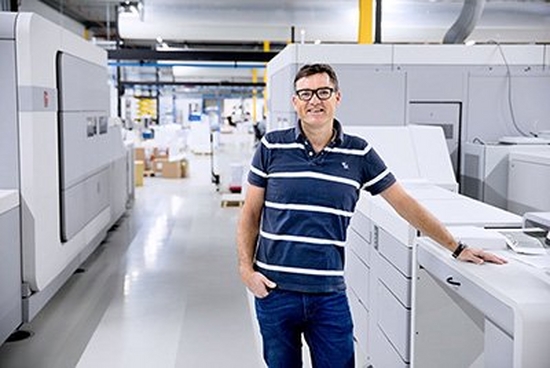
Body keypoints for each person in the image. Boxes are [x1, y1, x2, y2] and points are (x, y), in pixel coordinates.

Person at [236, 63, 506, 368]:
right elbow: (250, 212)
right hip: (274, 292)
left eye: (323, 92)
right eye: (306, 93)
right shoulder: (272, 146)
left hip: (328, 296)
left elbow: (403, 203)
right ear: (295, 101)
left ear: (337, 97)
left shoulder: (360, 153)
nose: (315, 100)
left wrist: (456, 247)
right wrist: (246, 270)